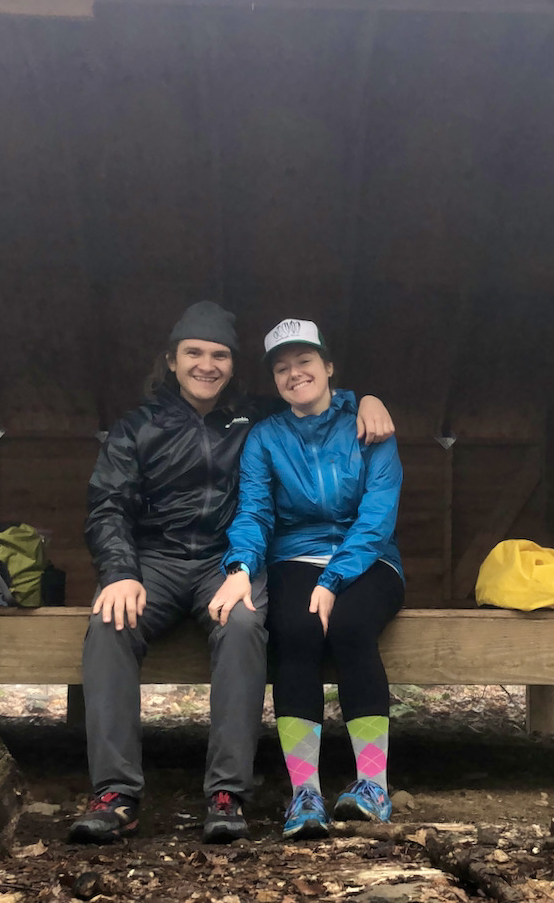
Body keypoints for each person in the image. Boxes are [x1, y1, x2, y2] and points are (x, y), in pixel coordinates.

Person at [70, 302, 395, 845]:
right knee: (109, 627)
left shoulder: (254, 418)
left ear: (232, 365)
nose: (207, 364)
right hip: (154, 563)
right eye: (193, 353)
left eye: (219, 354)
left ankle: (227, 793)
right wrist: (120, 571)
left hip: (227, 564)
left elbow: (312, 401)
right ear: (171, 361)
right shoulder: (137, 427)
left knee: (244, 627)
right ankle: (115, 793)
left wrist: (367, 399)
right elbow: (107, 505)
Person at [215, 318, 404, 839]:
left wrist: (335, 578)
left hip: (369, 557)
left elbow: (377, 515)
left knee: (348, 628)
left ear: (328, 367)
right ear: (274, 381)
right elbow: (254, 512)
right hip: (295, 556)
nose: (294, 373)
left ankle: (372, 786)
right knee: (295, 633)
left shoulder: (370, 426)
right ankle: (306, 794)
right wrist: (240, 568)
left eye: (304, 362)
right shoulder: (266, 438)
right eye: (282, 368)